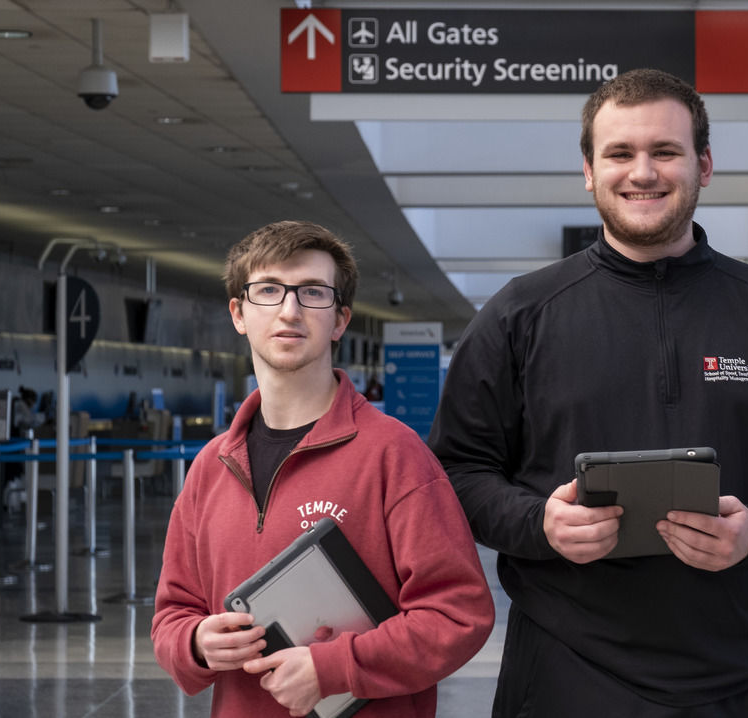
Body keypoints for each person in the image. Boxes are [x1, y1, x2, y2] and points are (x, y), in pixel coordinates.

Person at [428, 68, 748, 716]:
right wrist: (539, 523)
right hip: (567, 674)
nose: (642, 172)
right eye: (619, 153)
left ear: (703, 165)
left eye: (665, 152)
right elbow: (455, 470)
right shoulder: (519, 315)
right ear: (588, 170)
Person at [151, 220, 494, 717]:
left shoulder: (393, 454)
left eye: (312, 293)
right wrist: (197, 642)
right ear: (238, 314)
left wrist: (333, 669)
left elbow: (457, 615)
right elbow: (172, 614)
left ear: (339, 320)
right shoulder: (210, 467)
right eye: (268, 290)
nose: (289, 310)